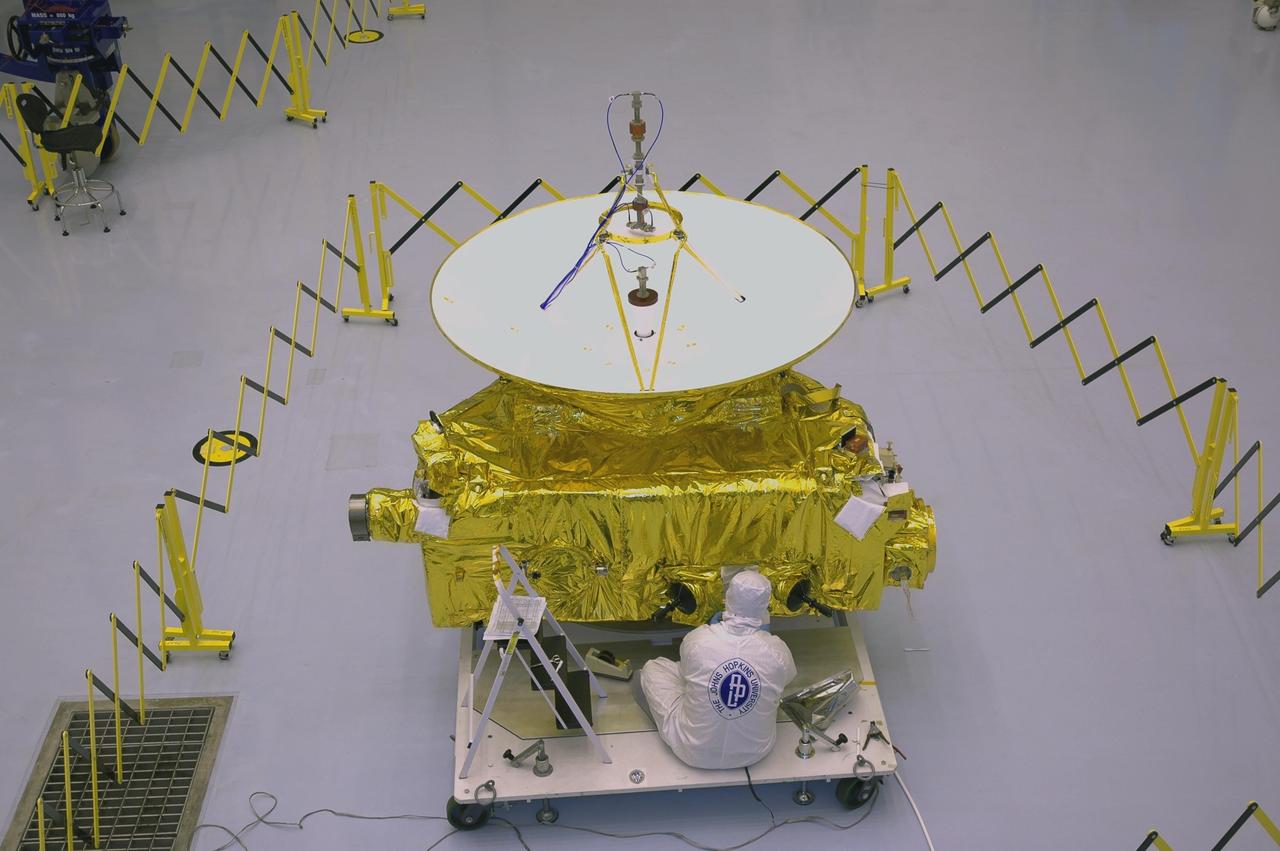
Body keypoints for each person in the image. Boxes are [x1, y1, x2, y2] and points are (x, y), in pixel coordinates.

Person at [638, 571, 797, 769]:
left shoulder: (698, 639)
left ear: (727, 599)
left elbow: (686, 672)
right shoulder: (777, 651)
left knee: (654, 667)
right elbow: (788, 678)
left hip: (692, 751)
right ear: (765, 607)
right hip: (755, 752)